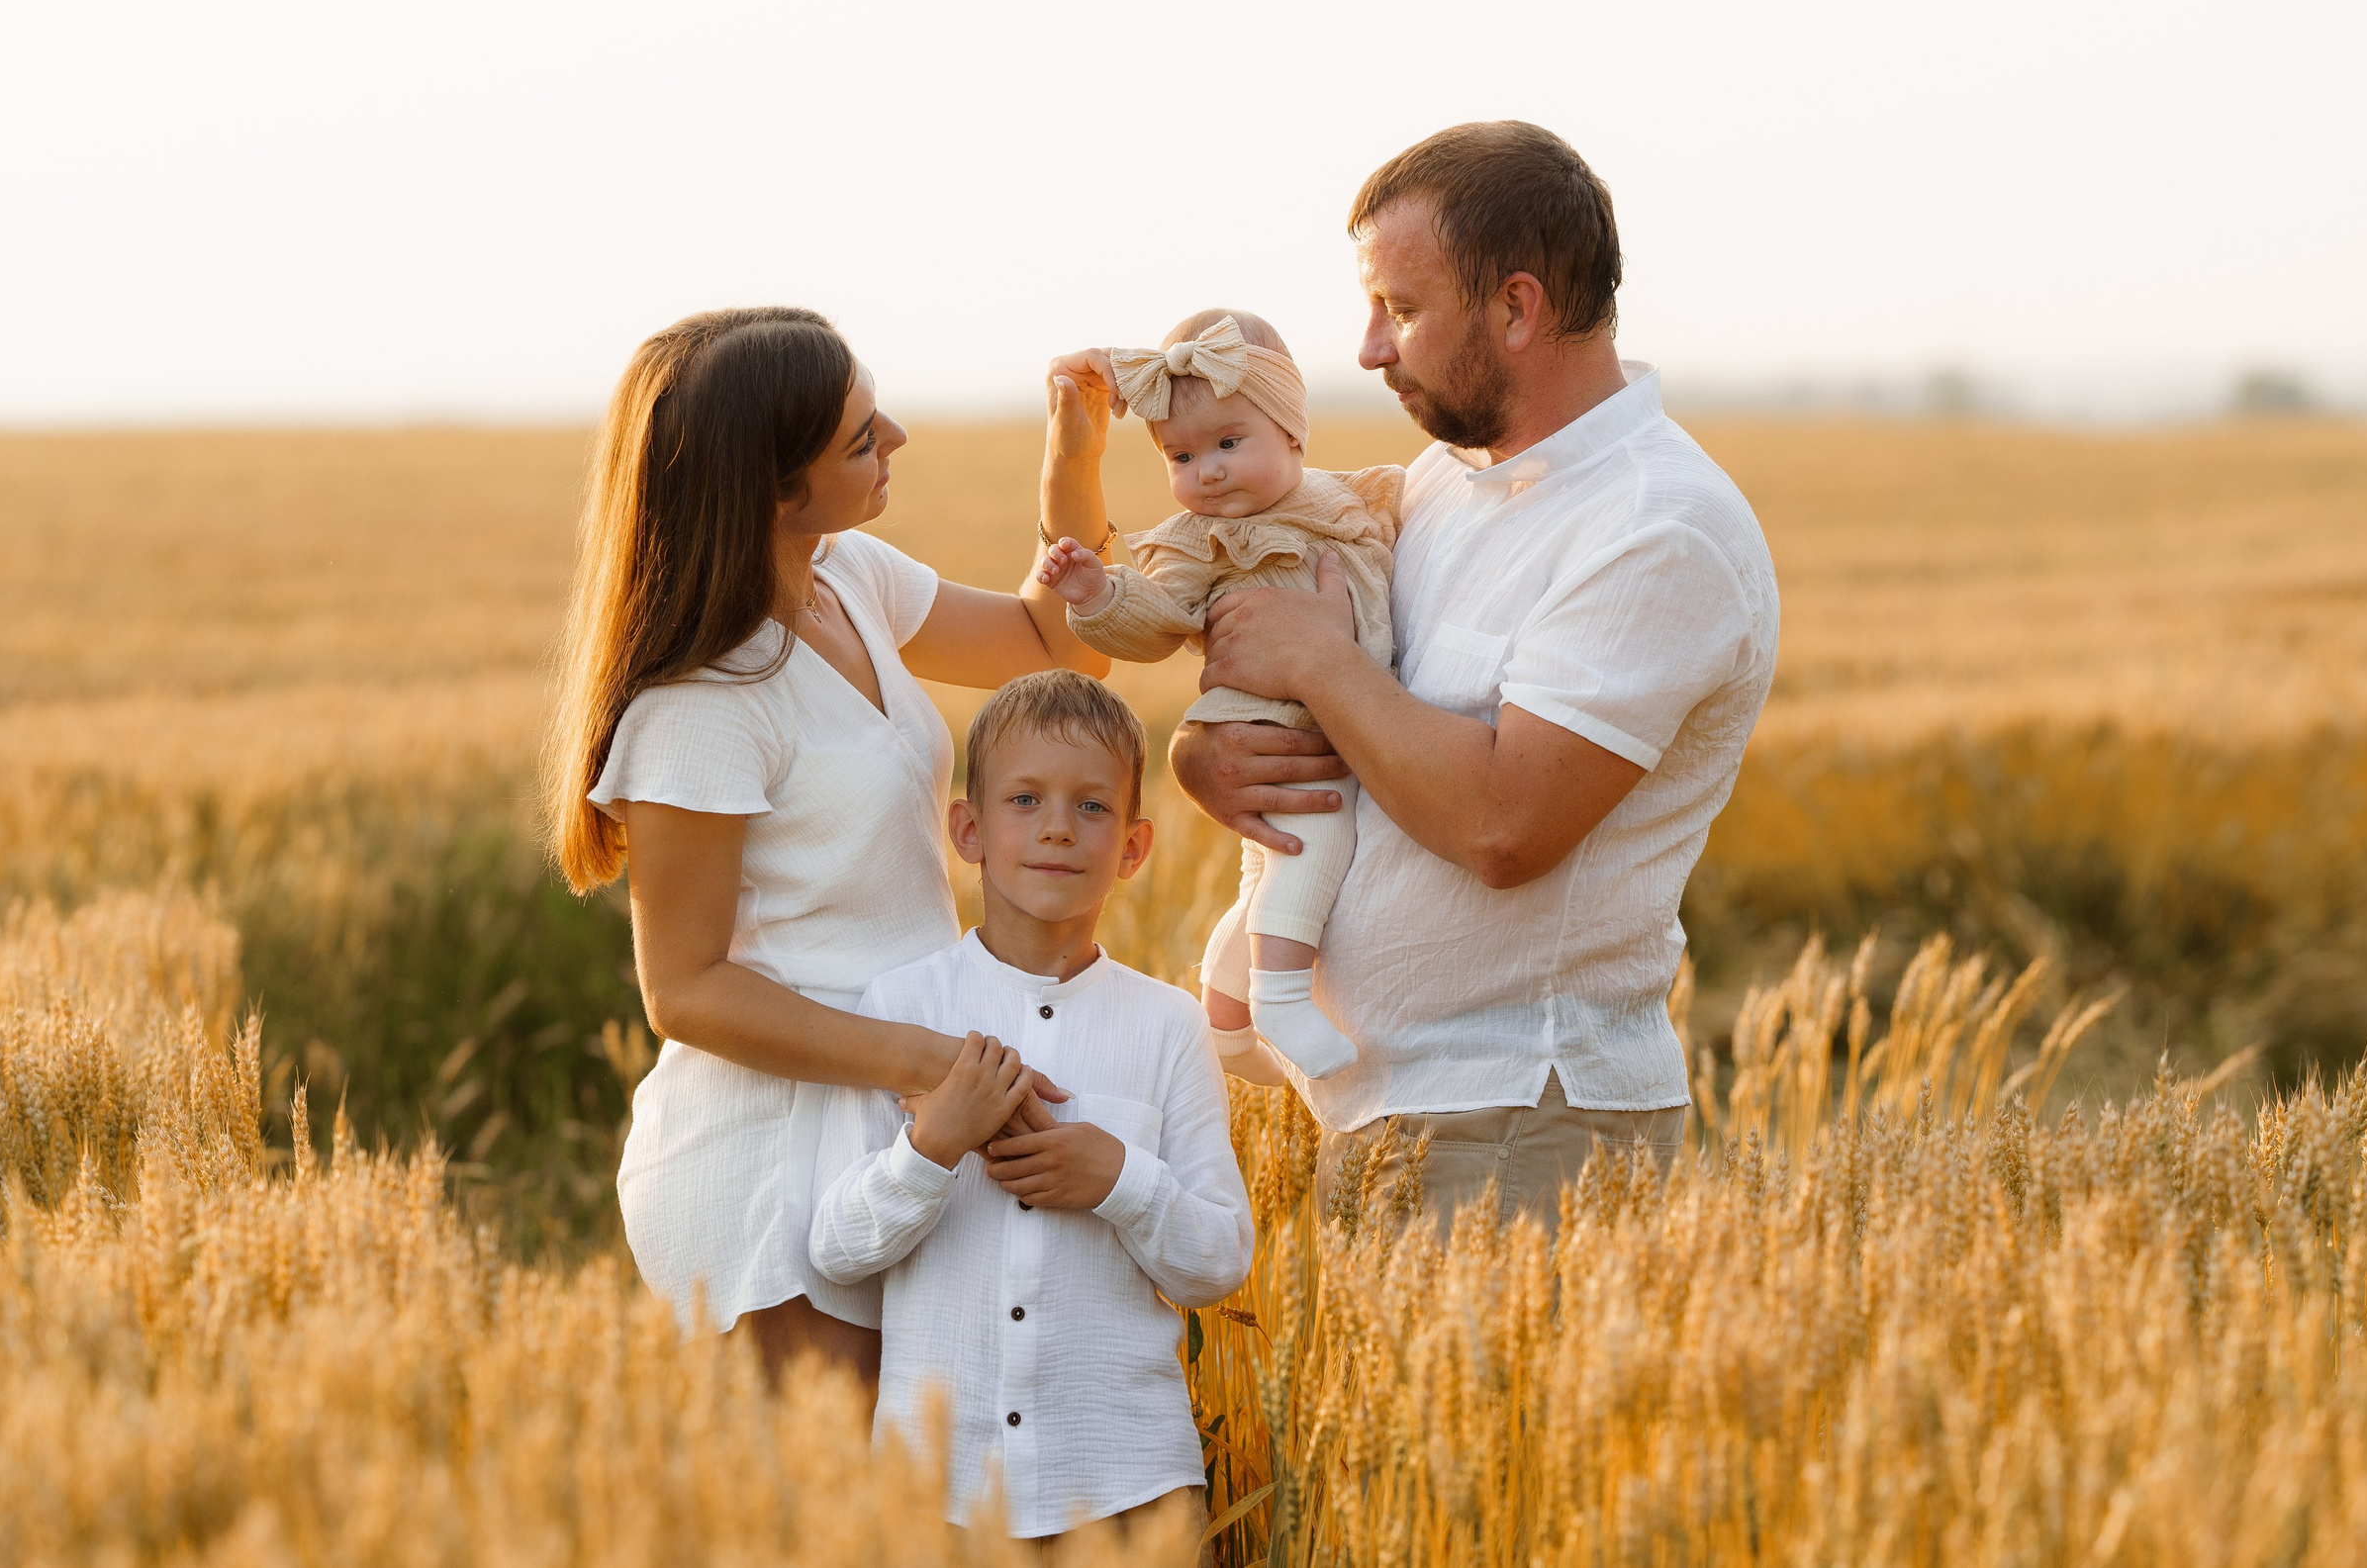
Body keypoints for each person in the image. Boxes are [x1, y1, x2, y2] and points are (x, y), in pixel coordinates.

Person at [1073, 122, 1781, 1239]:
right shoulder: (1444, 486)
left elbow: (1505, 821)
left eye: (1400, 310)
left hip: (1515, 1120)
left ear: (1515, 307)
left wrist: (1313, 658)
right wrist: (1214, 756)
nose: (1365, 350)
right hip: (1396, 1107)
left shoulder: (1655, 528)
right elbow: (1360, 717)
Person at [543, 306, 1116, 1382]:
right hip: (773, 1156)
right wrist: (940, 1063)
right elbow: (687, 990)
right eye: (860, 436)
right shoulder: (701, 706)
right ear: (772, 487)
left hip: (907, 1121)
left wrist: (1072, 457)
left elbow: (1055, 648)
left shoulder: (846, 577)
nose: (894, 435)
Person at [810, 671, 1252, 1553]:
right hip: (938, 1493)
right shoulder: (901, 1007)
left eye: (1092, 807)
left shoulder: (1169, 1026)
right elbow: (835, 1244)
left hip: (1130, 1490)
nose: (1058, 826)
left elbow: (1220, 1258)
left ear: (1133, 846)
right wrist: (932, 1146)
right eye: (1025, 799)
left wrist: (1121, 1180)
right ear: (968, 830)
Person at [1035, 308, 1401, 1086]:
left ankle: (1225, 1020)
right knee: (1319, 843)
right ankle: (1280, 999)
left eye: (1228, 443)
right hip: (1268, 725)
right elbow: (1157, 621)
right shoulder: (1200, 543)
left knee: (1270, 877)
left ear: (1293, 432)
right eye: (1181, 453)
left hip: (1339, 714)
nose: (1206, 470)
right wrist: (1099, 591)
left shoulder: (1352, 498)